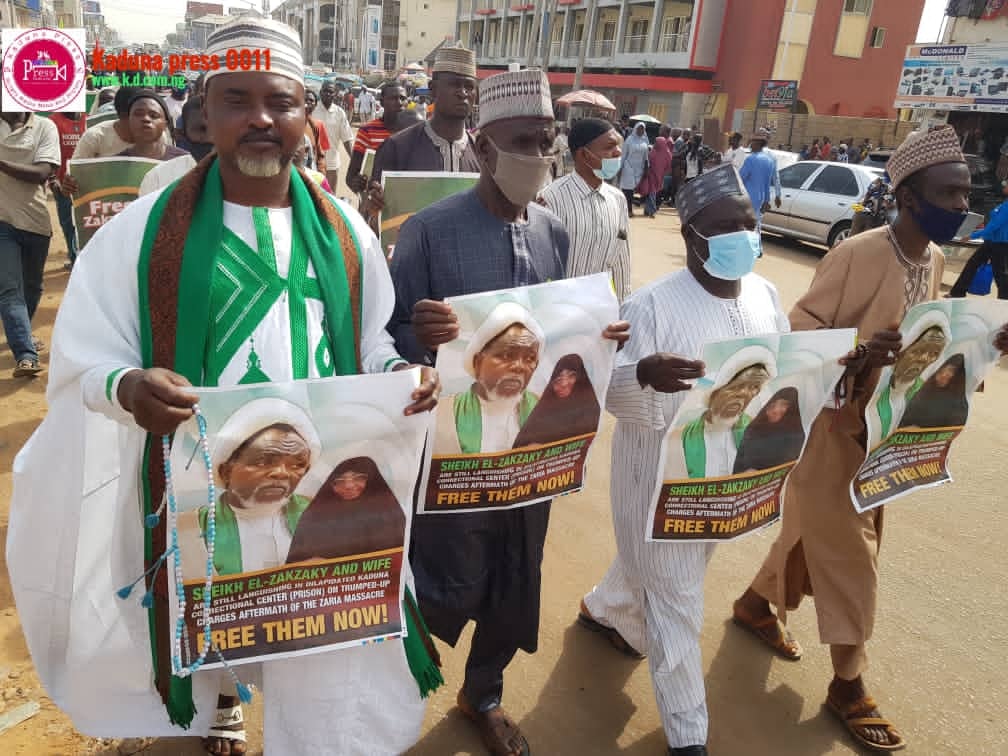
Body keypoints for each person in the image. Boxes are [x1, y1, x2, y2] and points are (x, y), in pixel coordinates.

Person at [7, 17, 443, 756]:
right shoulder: (140, 233)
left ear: (308, 114)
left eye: (280, 101)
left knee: (325, 680)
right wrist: (129, 386)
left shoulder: (347, 232)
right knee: (213, 639)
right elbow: (87, 359)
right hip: (204, 499)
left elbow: (370, 342)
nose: (261, 119)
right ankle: (219, 702)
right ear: (203, 111)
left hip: (322, 501)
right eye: (237, 100)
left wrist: (398, 375)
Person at [733, 125, 1008, 753]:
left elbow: (928, 338)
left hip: (885, 429)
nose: (963, 204)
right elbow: (796, 341)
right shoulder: (855, 254)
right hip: (830, 429)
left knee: (821, 532)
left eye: (967, 193)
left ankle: (754, 604)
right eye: (950, 192)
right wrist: (855, 352)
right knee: (854, 552)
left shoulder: (933, 258)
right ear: (910, 196)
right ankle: (848, 684)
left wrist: (983, 347)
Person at [389, 68, 629, 756]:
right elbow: (389, 338)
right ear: (484, 150)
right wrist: (421, 336)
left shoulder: (553, 232)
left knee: (518, 570)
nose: (540, 155)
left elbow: (553, 334)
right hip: (454, 449)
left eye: (547, 140)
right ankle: (395, 692)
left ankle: (483, 693)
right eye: (524, 141)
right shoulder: (429, 233)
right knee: (445, 573)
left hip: (529, 446)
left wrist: (599, 333)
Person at [578, 163, 789, 756]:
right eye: (723, 228)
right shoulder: (649, 305)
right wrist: (642, 375)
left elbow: (783, 374)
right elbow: (607, 389)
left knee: (676, 568)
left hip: (724, 478)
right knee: (676, 600)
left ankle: (604, 608)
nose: (741, 237)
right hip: (655, 480)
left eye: (747, 224)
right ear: (692, 237)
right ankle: (688, 733)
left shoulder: (766, 295)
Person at [177, 401, 319, 580]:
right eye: (263, 461)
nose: (282, 473)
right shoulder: (189, 529)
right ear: (226, 471)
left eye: (297, 465)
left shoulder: (319, 516)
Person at [539, 117, 631, 302]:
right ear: (584, 154)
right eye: (609, 147)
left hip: (601, 311)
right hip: (561, 310)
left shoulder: (618, 199)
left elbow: (621, 261)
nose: (618, 152)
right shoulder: (552, 198)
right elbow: (541, 265)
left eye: (618, 145)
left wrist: (622, 307)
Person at [433, 303, 544, 455]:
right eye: (506, 355)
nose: (519, 366)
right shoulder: (445, 414)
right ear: (477, 362)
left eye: (530, 358)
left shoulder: (543, 410)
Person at [0, 111, 60, 378]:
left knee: (32, 288)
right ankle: (25, 355)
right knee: (10, 290)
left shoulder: (44, 126)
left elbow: (42, 173)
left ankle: (21, 330)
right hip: (2, 221)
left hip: (35, 220)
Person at [370, 46, 480, 186]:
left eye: (469, 87)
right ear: (433, 89)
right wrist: (373, 204)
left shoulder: (482, 154)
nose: (463, 93)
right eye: (454, 84)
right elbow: (373, 205)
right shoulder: (397, 148)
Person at [663, 353, 775, 480]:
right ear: (716, 392)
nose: (743, 394)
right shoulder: (679, 439)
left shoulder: (758, 433)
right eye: (736, 387)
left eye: (753, 388)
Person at [286, 456, 406, 563]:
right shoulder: (316, 515)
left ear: (373, 481)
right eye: (339, 481)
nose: (348, 486)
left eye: (358, 478)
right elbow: (296, 560)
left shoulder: (389, 514)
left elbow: (396, 559)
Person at [868, 317, 949, 442]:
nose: (924, 359)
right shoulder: (876, 390)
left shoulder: (926, 394)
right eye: (918, 351)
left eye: (934, 354)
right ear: (903, 349)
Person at [512, 353, 601, 448]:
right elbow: (521, 443)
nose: (564, 383)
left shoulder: (590, 409)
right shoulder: (543, 410)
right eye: (558, 379)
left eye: (571, 376)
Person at [71, 86, 172, 160]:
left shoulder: (158, 136)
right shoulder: (95, 137)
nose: (145, 121)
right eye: (138, 114)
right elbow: (76, 173)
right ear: (122, 115)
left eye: (152, 115)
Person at [138, 96, 212, 197]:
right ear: (180, 134)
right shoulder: (158, 178)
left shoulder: (240, 178)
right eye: (201, 130)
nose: (211, 138)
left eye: (219, 128)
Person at [948, 179, 1008, 299]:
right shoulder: (1004, 204)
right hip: (991, 243)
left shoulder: (1006, 207)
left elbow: (992, 227)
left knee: (1000, 275)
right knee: (972, 264)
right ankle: (957, 293)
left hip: (1000, 245)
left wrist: (971, 236)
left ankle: (1004, 301)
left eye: (1006, 184)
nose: (1004, 185)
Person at [346, 82, 406, 193]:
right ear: (382, 102)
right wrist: (357, 183)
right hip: (372, 203)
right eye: (393, 98)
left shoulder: (413, 131)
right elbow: (350, 178)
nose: (399, 103)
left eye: (402, 98)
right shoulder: (367, 131)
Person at [732, 386, 805, 473]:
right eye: (772, 406)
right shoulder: (754, 430)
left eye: (784, 404)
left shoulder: (799, 437)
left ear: (794, 408)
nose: (776, 410)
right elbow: (739, 465)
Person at [46, 110, 86, 269]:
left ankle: (85, 259)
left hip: (87, 185)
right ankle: (74, 258)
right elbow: (46, 154)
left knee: (85, 223)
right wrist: (53, 182)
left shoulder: (87, 120)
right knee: (68, 223)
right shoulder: (52, 122)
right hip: (63, 187)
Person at [117, 90, 192, 164]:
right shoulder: (116, 163)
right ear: (129, 120)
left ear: (165, 124)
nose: (146, 119)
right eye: (138, 114)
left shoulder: (184, 161)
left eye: (154, 115)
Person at [897, 353, 969, 429]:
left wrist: (920, 431)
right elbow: (906, 415)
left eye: (951, 370)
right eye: (944, 368)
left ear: (959, 377)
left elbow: (949, 433)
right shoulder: (925, 389)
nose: (944, 374)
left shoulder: (959, 404)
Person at [311, 80, 353, 191]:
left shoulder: (340, 113)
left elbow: (347, 138)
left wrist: (353, 160)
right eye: (325, 91)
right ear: (320, 93)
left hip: (332, 164)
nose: (328, 94)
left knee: (331, 197)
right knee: (314, 196)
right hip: (314, 163)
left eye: (331, 92)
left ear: (335, 94)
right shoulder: (312, 110)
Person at [740, 128, 782, 236]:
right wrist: (767, 200)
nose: (750, 145)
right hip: (760, 199)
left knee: (743, 227)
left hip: (747, 198)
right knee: (756, 225)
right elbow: (768, 183)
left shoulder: (751, 158)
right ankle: (757, 248)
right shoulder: (770, 160)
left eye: (752, 142)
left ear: (758, 143)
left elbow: (740, 179)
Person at [619, 122, 649, 215]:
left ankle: (626, 208)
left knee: (632, 190)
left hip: (639, 169)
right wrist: (620, 167)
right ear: (635, 129)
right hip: (628, 167)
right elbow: (624, 154)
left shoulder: (645, 141)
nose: (641, 130)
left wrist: (646, 168)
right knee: (628, 190)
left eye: (642, 129)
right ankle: (628, 210)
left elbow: (646, 157)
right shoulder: (629, 140)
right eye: (639, 128)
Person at [641, 134, 674, 218]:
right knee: (651, 192)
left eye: (656, 142)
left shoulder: (667, 153)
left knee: (652, 192)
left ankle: (647, 210)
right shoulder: (653, 151)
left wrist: (662, 173)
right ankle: (651, 210)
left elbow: (668, 166)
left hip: (659, 176)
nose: (655, 143)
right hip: (651, 175)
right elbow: (647, 161)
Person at [302, 89, 330, 175]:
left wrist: (321, 174)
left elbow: (320, 154)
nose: (308, 102)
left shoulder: (315, 126)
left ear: (316, 105)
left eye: (311, 100)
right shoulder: (290, 123)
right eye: (305, 99)